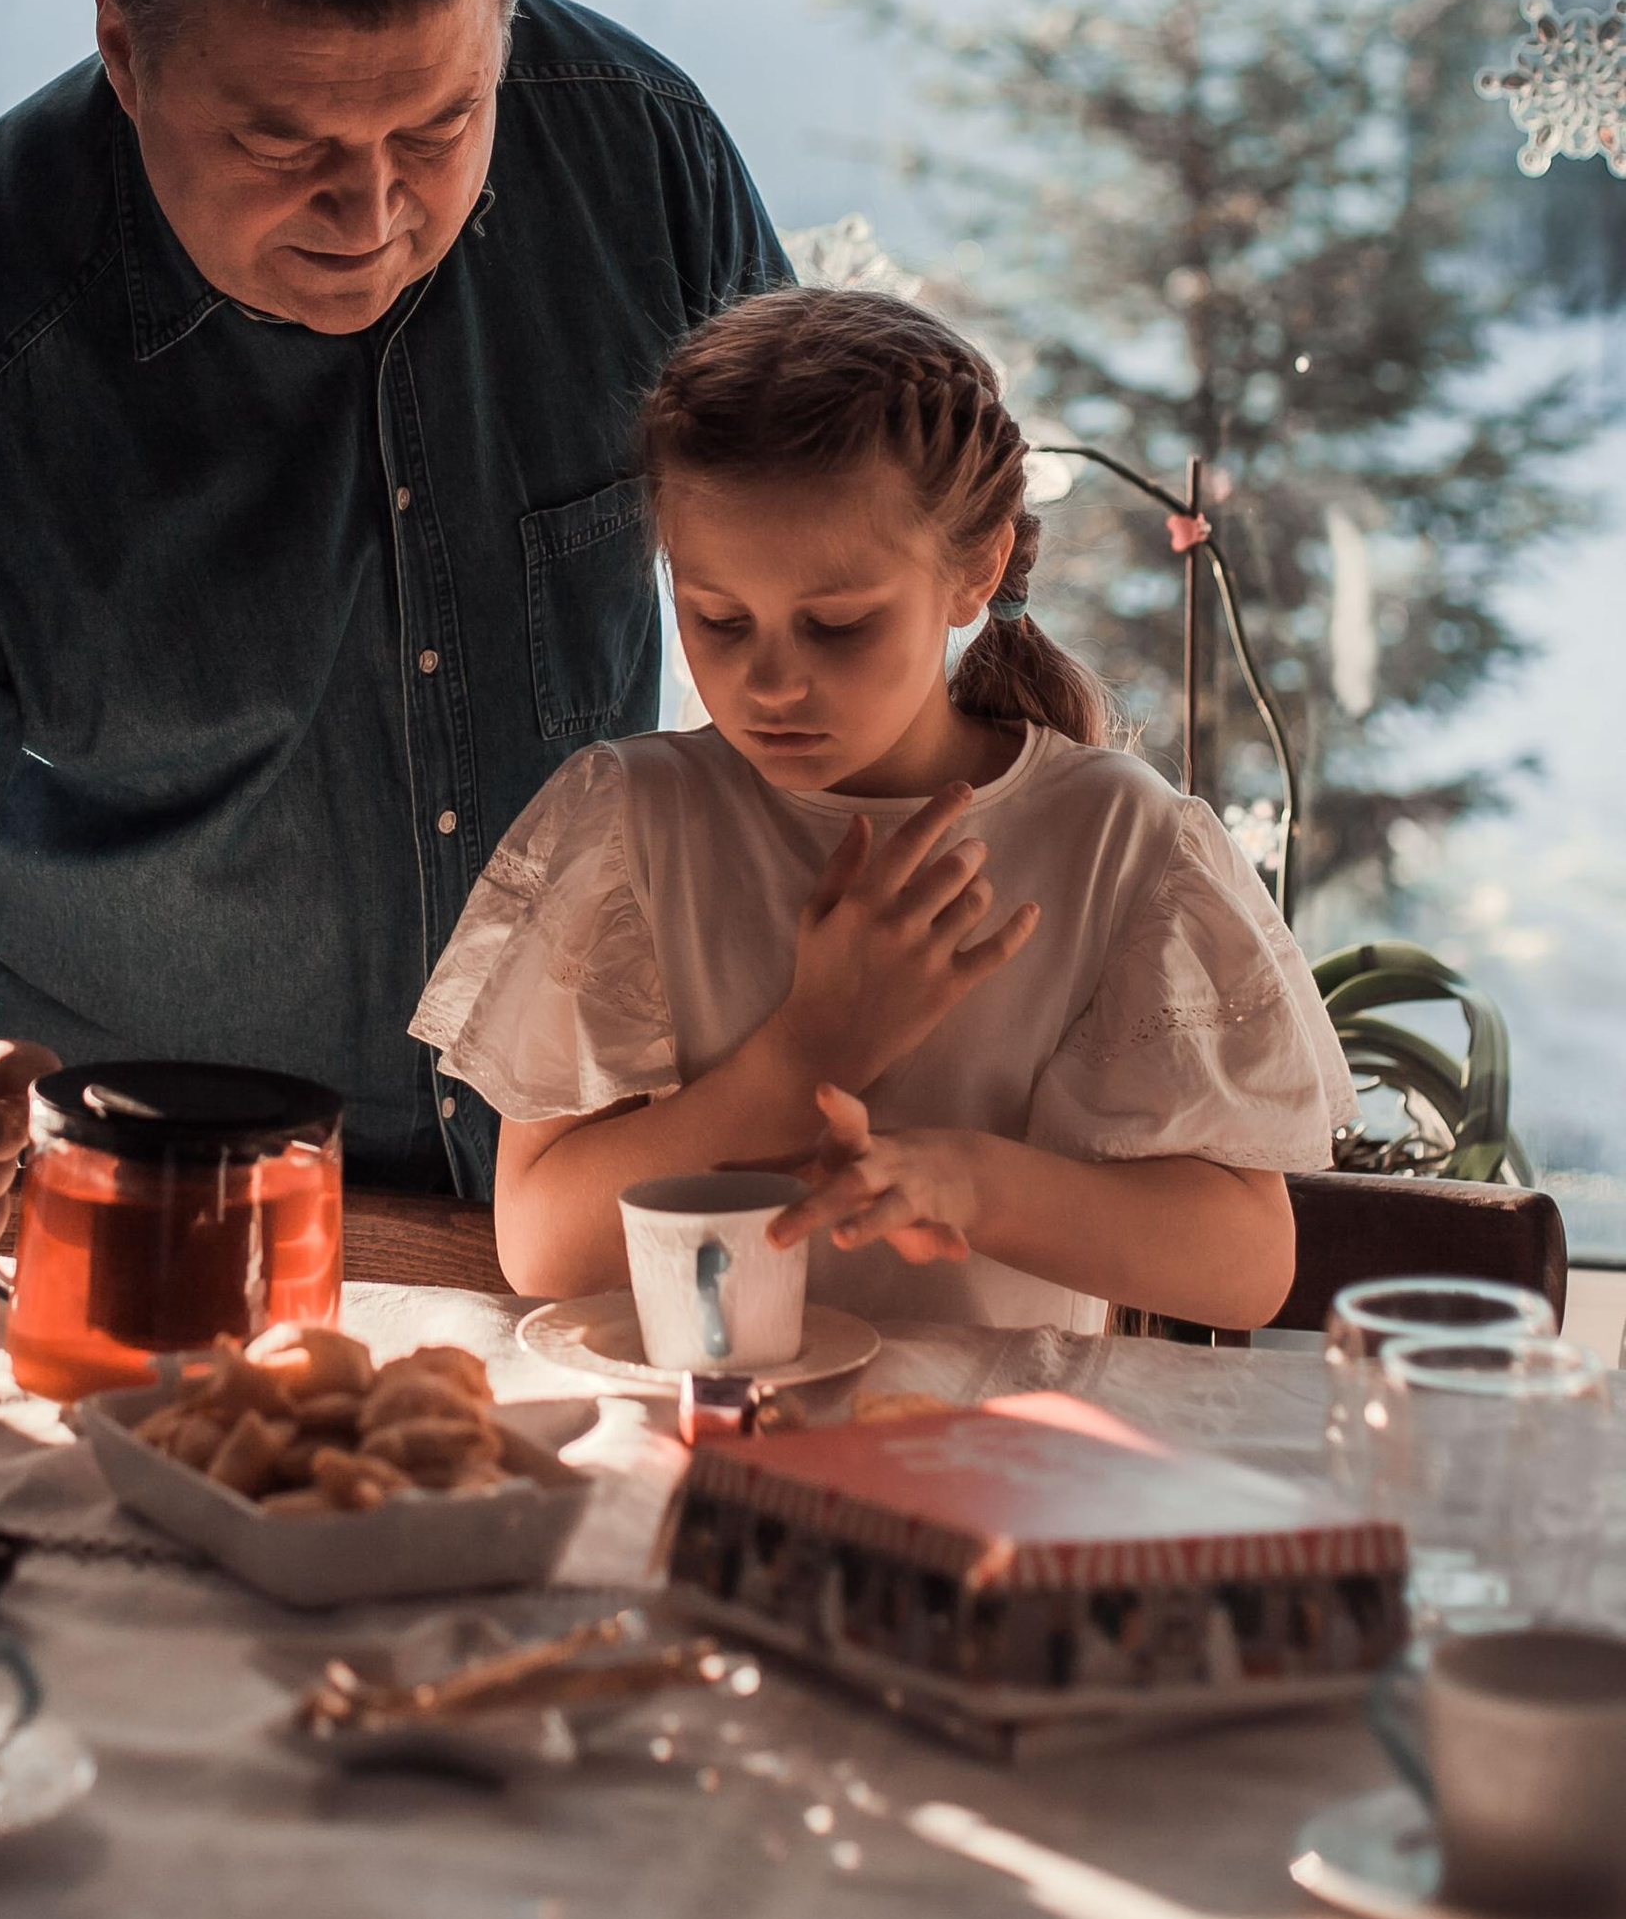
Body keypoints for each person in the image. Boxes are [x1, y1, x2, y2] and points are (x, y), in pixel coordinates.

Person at [0, 0, 783, 1289]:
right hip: (151, 1235)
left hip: (599, 1195)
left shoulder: (642, 155)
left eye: (439, 127)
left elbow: (821, 551)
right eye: (283, 145)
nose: (373, 212)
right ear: (124, 49)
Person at [412, 286, 1348, 1332]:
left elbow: (1247, 1265)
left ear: (976, 569)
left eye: (837, 625)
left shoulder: (1117, 841)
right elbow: (541, 1247)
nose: (771, 683)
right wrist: (801, 1057)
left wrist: (973, 1185)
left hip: (1000, 1438)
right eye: (719, 619)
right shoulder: (630, 825)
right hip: (710, 1421)